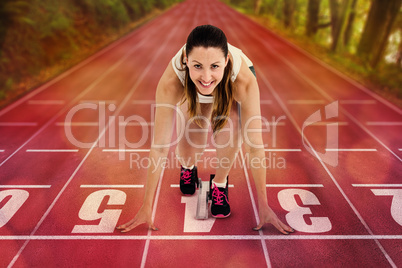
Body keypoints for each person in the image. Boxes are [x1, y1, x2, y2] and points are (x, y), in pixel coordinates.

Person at [117, 25, 294, 234]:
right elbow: (159, 147)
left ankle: (219, 184)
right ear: (185, 59)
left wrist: (264, 206)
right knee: (192, 144)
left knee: (229, 134)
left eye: (215, 66)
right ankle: (188, 166)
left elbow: (255, 146)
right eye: (198, 66)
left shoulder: (243, 81)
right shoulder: (172, 82)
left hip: (229, 85)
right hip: (189, 87)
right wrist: (146, 206)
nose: (207, 77)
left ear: (226, 61)